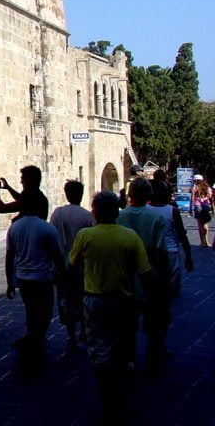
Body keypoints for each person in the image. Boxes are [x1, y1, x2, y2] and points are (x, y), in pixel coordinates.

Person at [69, 191, 152, 426]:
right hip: (124, 300)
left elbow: (72, 265)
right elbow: (145, 273)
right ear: (117, 211)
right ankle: (125, 387)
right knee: (125, 345)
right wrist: (147, 299)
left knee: (100, 350)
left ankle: (108, 396)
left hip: (94, 300)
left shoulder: (86, 236)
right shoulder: (130, 237)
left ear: (95, 211)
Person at [5, 194, 64, 376]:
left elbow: (9, 256)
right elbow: (57, 255)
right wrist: (63, 275)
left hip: (23, 278)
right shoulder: (46, 228)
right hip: (42, 278)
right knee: (44, 314)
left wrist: (9, 282)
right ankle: (36, 347)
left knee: (31, 311)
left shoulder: (15, 227)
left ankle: (33, 343)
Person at [117, 177, 170, 376]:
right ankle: (152, 358)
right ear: (148, 195)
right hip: (149, 273)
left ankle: (128, 360)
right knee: (154, 321)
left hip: (124, 274)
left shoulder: (120, 217)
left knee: (127, 323)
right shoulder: (156, 219)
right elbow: (160, 251)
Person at [49, 180, 93, 349]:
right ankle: (83, 331)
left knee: (65, 299)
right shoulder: (87, 215)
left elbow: (53, 236)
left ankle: (71, 335)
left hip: (61, 263)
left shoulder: (58, 213)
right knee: (82, 298)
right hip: (81, 265)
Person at [146, 178, 193, 298]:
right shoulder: (172, 211)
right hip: (170, 251)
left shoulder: (145, 210)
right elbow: (182, 235)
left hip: (151, 251)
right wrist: (188, 256)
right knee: (171, 288)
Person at [189, 175, 213, 248]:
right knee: (205, 224)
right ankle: (207, 241)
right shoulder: (208, 188)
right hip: (206, 206)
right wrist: (204, 198)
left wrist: (190, 208)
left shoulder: (194, 188)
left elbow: (192, 199)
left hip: (197, 206)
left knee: (200, 225)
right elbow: (210, 196)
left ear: (196, 180)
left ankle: (202, 242)